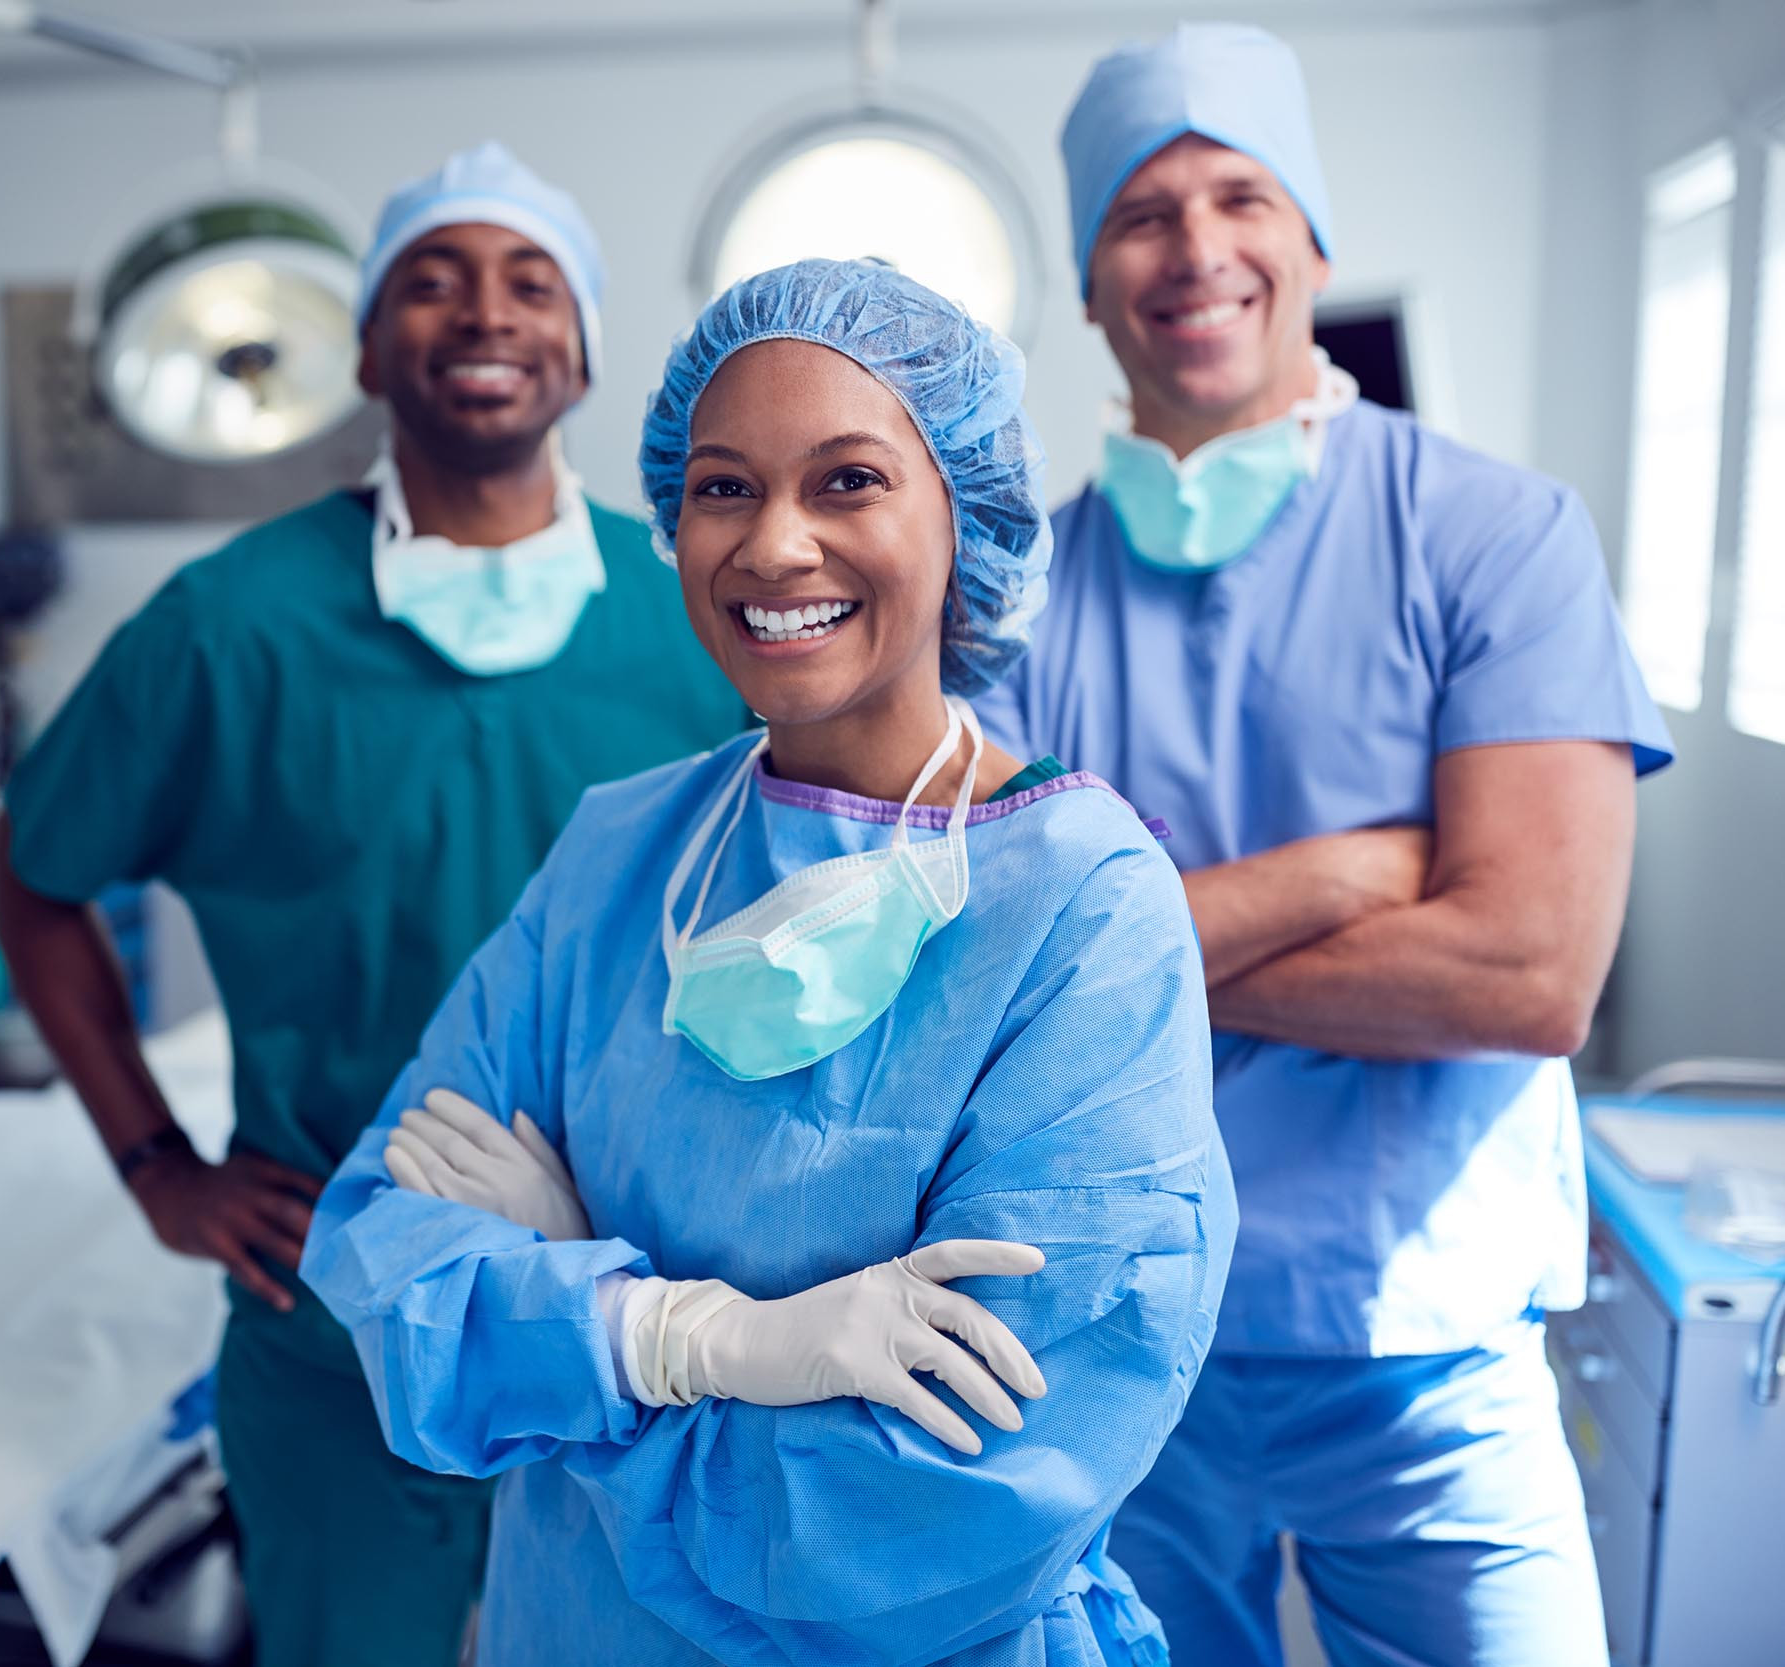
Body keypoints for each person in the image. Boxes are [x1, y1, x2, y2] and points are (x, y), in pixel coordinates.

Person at [303, 258, 1237, 1667]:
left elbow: (953, 1501)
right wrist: (687, 1339)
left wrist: (572, 1330)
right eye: (724, 488)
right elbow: (383, 1243)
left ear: (965, 516)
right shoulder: (622, 854)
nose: (776, 547)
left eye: (850, 481)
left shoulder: (1082, 906)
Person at [0, 141, 740, 1667]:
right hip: (343, 1332)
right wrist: (154, 1164)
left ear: (583, 349)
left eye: (531, 282)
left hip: (647, 1311)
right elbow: (25, 873)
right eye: (432, 282)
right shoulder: (231, 623)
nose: (484, 314)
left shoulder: (703, 612)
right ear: (371, 346)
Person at [970, 24, 1676, 1667]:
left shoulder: (1495, 538)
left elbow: (1530, 970)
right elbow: (989, 981)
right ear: (1088, 282)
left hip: (1427, 1344)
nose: (1197, 250)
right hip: (1115, 1341)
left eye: (1241, 196)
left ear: (1311, 239)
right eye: (1142, 214)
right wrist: (1354, 873)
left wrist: (1125, 958)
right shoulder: (1012, 615)